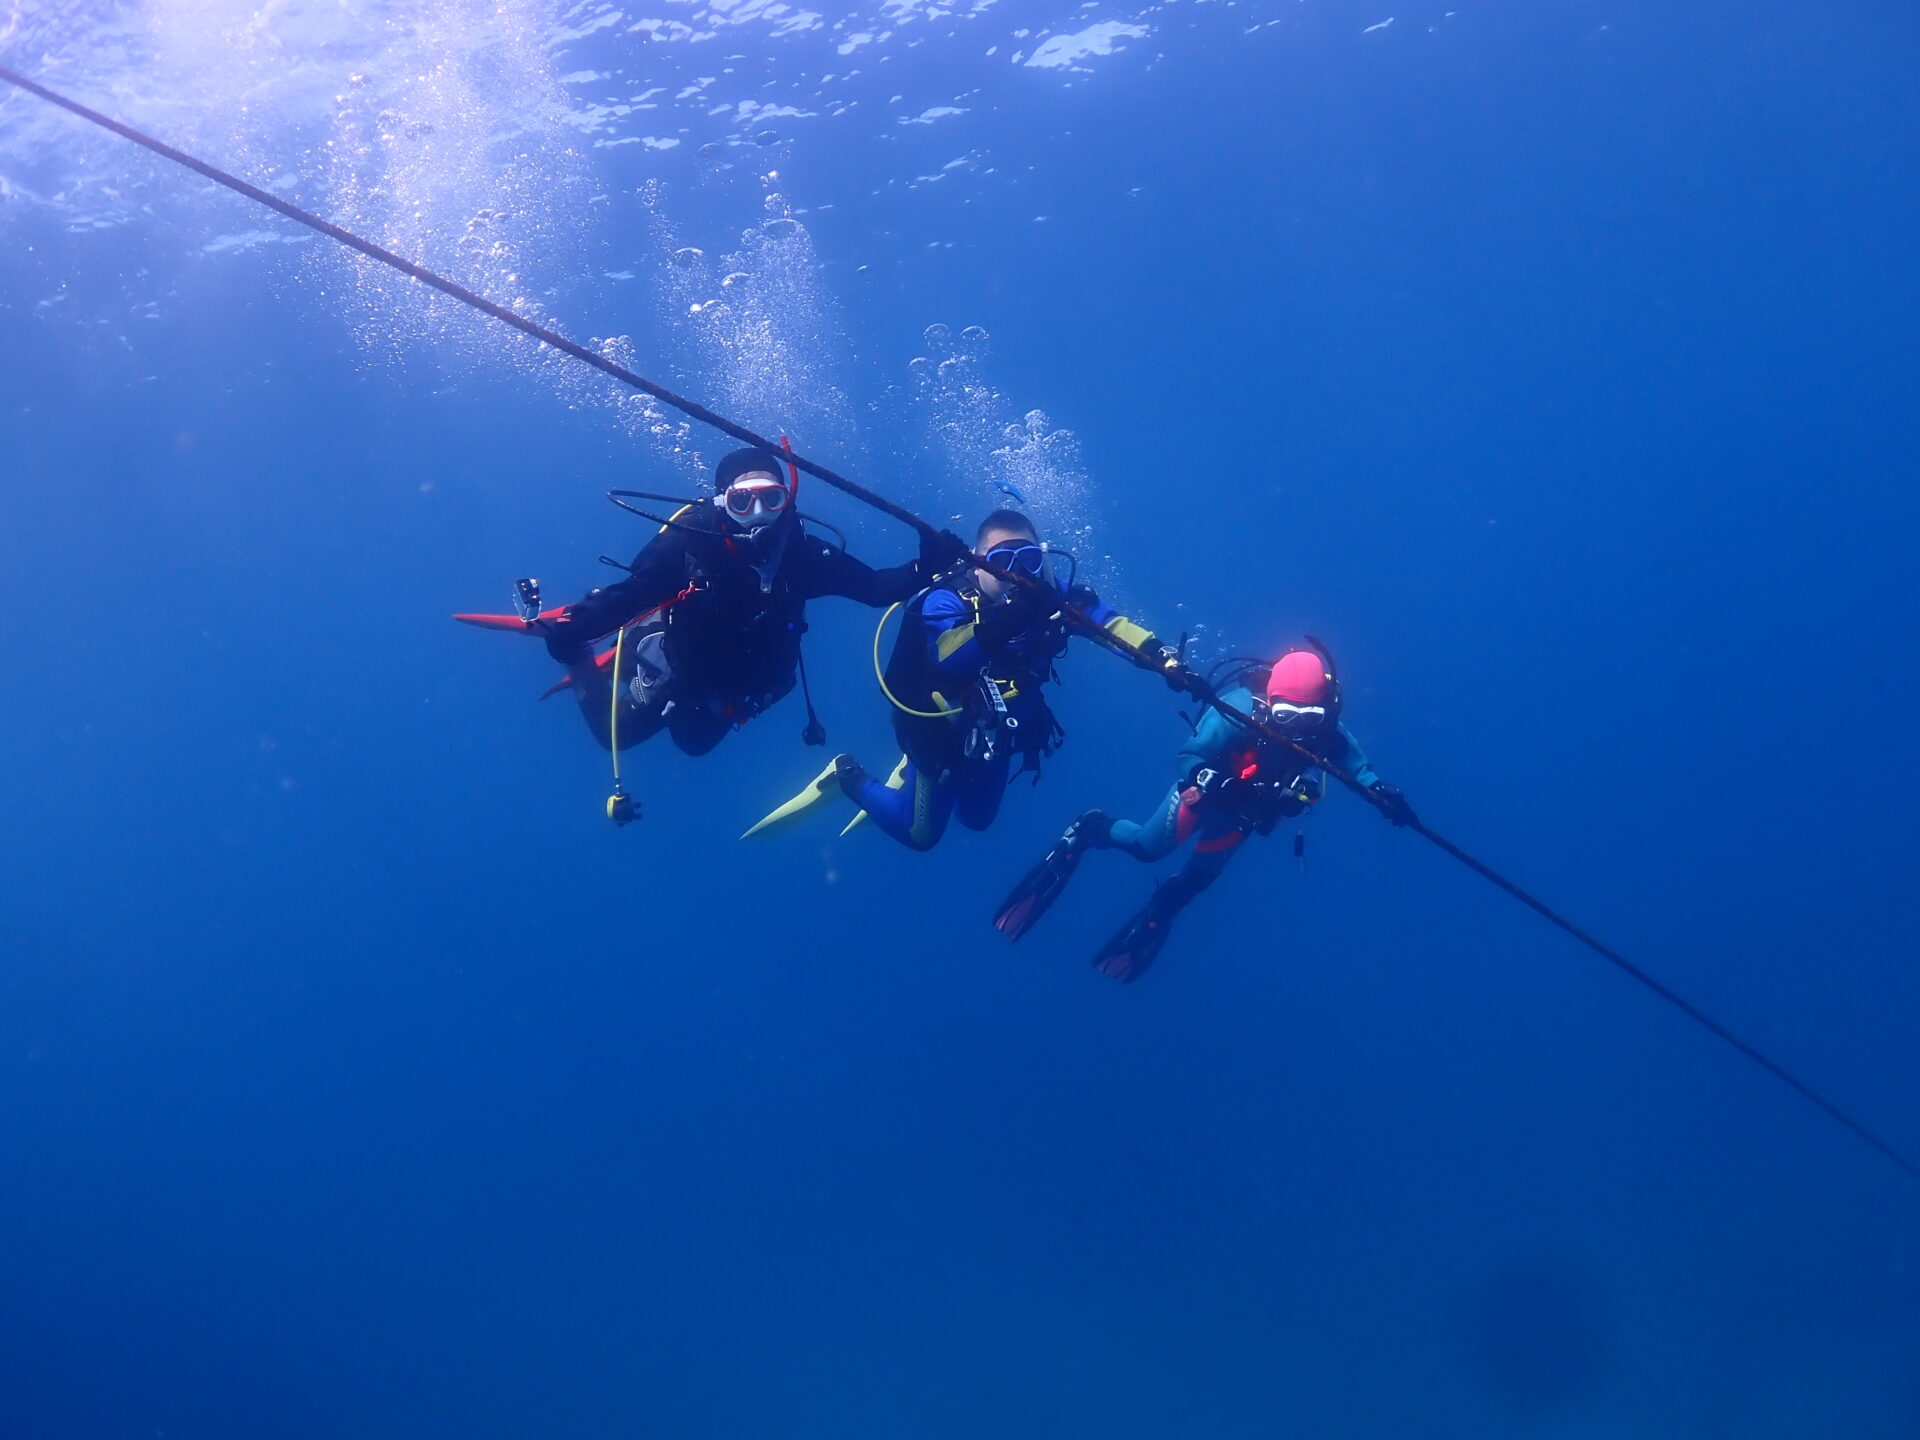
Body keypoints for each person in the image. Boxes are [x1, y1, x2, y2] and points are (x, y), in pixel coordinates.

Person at [463, 447, 965, 792]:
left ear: (787, 499)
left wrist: (927, 564)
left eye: (772, 498)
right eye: (742, 502)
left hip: (741, 689)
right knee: (611, 737)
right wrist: (575, 634)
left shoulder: (803, 555)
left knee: (694, 745)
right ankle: (622, 651)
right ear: (722, 504)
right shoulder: (691, 546)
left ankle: (638, 646)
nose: (759, 513)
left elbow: (876, 589)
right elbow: (632, 593)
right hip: (686, 671)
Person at [743, 508, 1180, 850]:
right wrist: (1011, 618)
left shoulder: (1056, 596)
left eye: (1028, 559)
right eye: (1001, 562)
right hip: (936, 729)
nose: (1018, 574)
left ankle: (907, 778)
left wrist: (1164, 659)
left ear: (1042, 559)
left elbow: (1112, 626)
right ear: (978, 565)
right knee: (921, 836)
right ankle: (847, 777)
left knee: (977, 819)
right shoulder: (945, 598)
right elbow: (949, 658)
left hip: (1001, 727)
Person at [992, 642, 1416, 982]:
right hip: (1206, 797)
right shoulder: (1240, 710)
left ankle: (1163, 907)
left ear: (1327, 710)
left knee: (1197, 880)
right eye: (1287, 714)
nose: (1299, 727)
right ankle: (1088, 828)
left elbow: (1357, 768)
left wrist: (1383, 794)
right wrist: (1216, 781)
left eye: (1310, 717)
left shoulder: (1330, 732)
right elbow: (1189, 756)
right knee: (1147, 847)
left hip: (1244, 817)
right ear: (1270, 701)